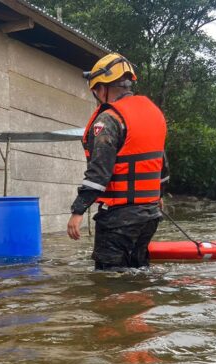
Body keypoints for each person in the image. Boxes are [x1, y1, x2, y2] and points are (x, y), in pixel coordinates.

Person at [67, 53, 169, 270]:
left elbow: (99, 173)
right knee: (138, 270)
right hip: (149, 216)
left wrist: (78, 211)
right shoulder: (154, 114)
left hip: (119, 218)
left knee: (108, 280)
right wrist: (157, 196)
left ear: (104, 88)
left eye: (96, 91)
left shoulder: (109, 119)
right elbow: (162, 166)